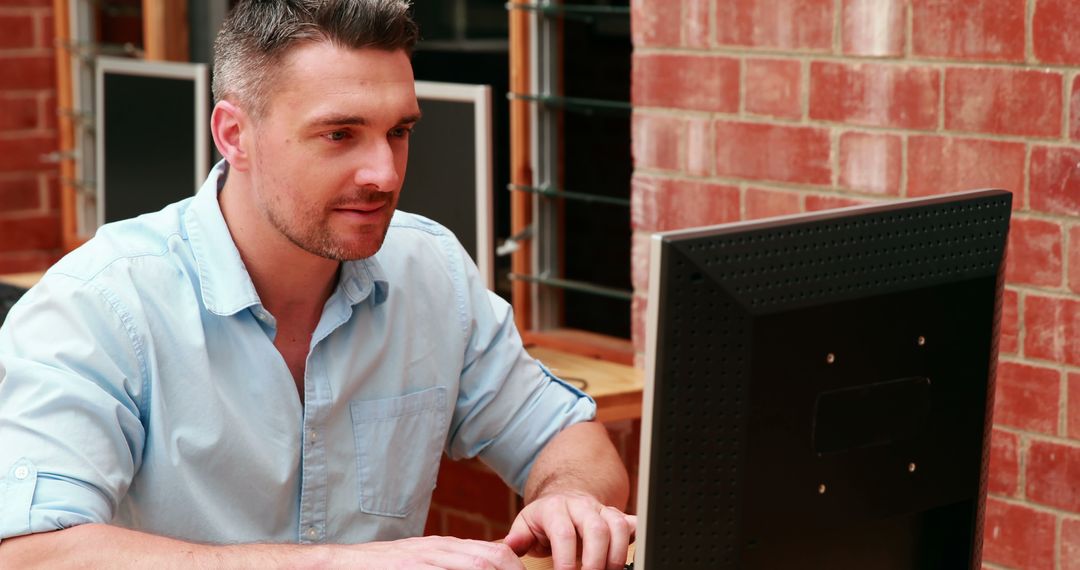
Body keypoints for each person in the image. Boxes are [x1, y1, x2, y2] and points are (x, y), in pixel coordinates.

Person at [0, 0, 634, 568]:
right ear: (234, 134)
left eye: (399, 132)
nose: (384, 173)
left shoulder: (430, 268)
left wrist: (569, 499)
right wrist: (339, 564)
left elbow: (567, 436)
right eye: (340, 134)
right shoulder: (99, 302)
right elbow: (30, 552)